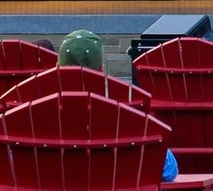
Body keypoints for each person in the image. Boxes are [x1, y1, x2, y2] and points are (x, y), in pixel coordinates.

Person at [56, 30, 178, 180]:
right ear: (101, 70)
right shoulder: (123, 114)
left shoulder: (34, 115)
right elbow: (168, 170)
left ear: (57, 68)